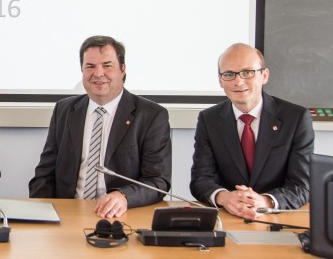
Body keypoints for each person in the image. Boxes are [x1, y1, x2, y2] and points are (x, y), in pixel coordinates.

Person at [29, 35, 172, 218]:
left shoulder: (151, 115)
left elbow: (158, 181)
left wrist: (124, 197)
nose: (98, 73)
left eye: (107, 65)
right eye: (90, 66)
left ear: (122, 69)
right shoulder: (64, 110)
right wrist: (42, 214)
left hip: (121, 215)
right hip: (67, 213)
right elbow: (44, 175)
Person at [190, 43, 314, 219]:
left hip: (278, 217)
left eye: (247, 72)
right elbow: (201, 180)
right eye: (229, 74)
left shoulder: (295, 118)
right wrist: (225, 197)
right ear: (220, 80)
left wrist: (265, 201)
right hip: (228, 217)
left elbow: (301, 186)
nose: (238, 81)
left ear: (264, 75)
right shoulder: (209, 119)